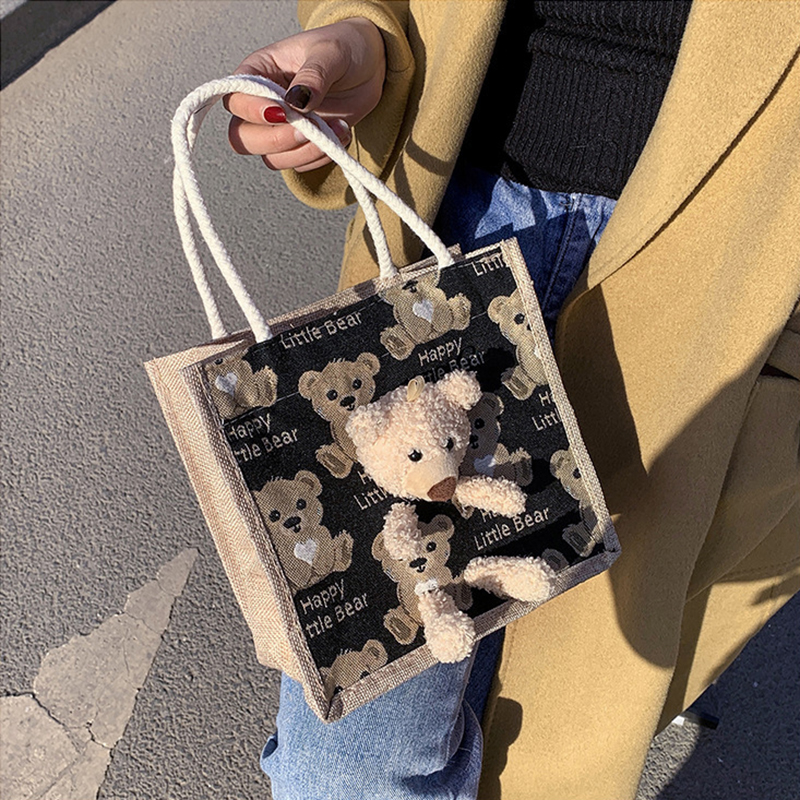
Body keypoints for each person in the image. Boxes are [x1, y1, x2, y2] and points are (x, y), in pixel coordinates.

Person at [225, 2, 800, 799]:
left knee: (557, 733)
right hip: (451, 232)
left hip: (713, 275)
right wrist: (362, 33)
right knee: (348, 769)